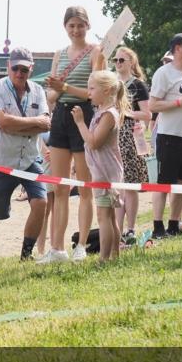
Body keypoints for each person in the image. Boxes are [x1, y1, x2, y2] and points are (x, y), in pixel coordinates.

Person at [0, 48, 52, 266]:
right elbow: (2, 122)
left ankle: (26, 254)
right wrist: (33, 124)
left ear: (31, 69)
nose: (19, 73)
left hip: (30, 159)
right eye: (15, 68)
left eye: (24, 69)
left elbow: (46, 123)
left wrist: (15, 125)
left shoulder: (38, 91)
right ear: (8, 66)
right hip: (1, 163)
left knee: (41, 203)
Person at [42, 7, 105, 261]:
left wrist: (65, 86)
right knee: (60, 187)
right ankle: (57, 248)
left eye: (80, 25)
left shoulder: (96, 52)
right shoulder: (59, 54)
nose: (76, 30)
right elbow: (52, 95)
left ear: (87, 26)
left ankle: (81, 245)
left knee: (84, 187)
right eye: (71, 25)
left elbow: (95, 92)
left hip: (83, 115)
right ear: (65, 27)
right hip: (60, 116)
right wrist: (57, 91)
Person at [148, 33, 182, 240]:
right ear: (178, 49)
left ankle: (174, 225)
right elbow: (153, 105)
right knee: (164, 183)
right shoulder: (164, 73)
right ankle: (157, 227)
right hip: (169, 136)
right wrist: (180, 102)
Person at [72, 71, 129, 261]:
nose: (88, 92)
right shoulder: (102, 112)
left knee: (104, 217)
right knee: (110, 216)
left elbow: (94, 142)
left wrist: (80, 123)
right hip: (104, 171)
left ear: (107, 90)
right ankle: (114, 255)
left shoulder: (108, 115)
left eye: (92, 88)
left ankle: (105, 258)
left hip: (106, 174)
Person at [112, 47, 151, 245]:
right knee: (116, 185)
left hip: (129, 136)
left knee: (130, 185)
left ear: (131, 63)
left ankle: (131, 228)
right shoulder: (111, 83)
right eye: (116, 60)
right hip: (112, 135)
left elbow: (147, 114)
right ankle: (117, 229)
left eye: (122, 60)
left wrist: (127, 113)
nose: (118, 63)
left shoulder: (138, 85)